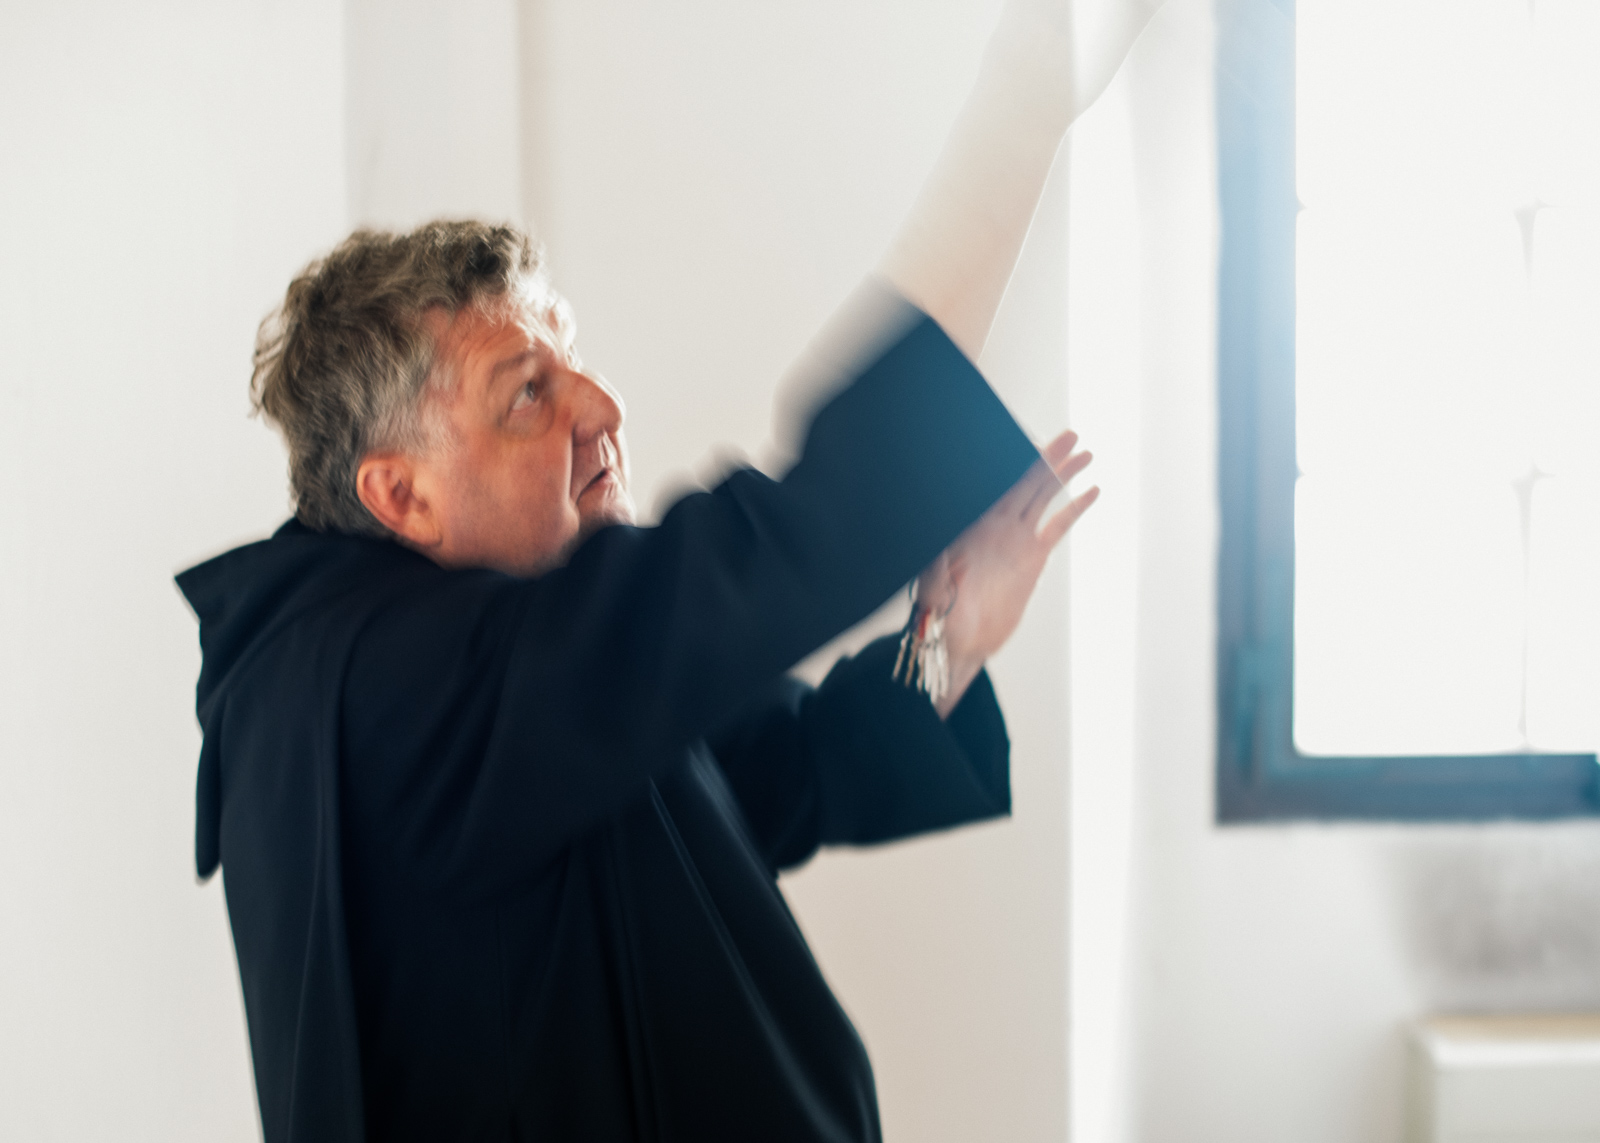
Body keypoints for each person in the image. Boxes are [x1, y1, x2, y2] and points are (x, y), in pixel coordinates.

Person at [177, 2, 1159, 1139]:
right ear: (401, 495)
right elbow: (787, 539)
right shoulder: (381, 698)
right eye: (527, 395)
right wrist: (1023, 104)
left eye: (574, 365)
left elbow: (777, 780)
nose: (603, 410)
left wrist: (950, 633)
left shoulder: (499, 654)